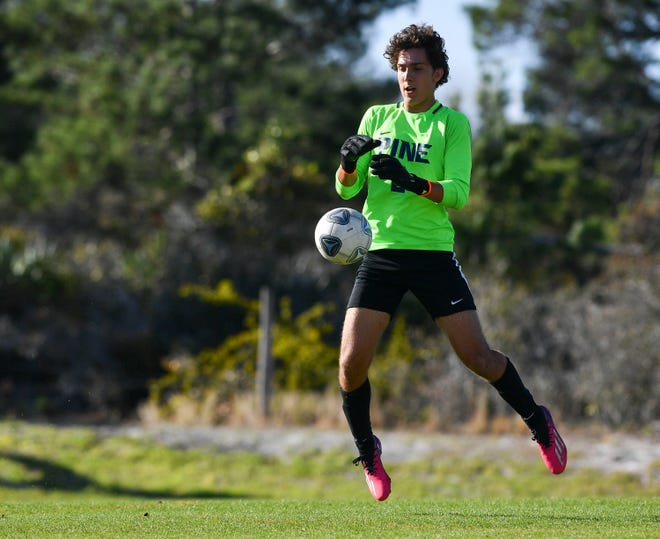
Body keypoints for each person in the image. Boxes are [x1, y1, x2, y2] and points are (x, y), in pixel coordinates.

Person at [334, 23, 567, 502]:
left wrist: (411, 179)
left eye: (417, 68)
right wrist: (347, 162)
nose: (407, 77)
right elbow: (346, 190)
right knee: (349, 367)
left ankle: (538, 421)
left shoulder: (451, 125)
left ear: (437, 74)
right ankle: (368, 451)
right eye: (401, 68)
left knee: (478, 359)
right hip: (379, 254)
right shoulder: (376, 116)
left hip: (433, 256)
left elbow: (458, 194)